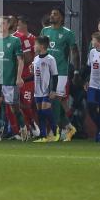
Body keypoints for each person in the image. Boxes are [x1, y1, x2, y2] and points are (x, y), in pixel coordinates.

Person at [40, 8, 79, 142]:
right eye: (51, 13)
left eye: (55, 14)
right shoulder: (45, 31)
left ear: (62, 18)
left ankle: (53, 131)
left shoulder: (68, 33)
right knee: (51, 100)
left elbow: (74, 52)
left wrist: (76, 71)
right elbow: (40, 49)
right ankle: (68, 126)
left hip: (61, 71)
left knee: (54, 99)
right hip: (46, 71)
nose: (52, 15)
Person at [0, 16, 24, 141]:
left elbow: (20, 60)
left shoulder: (15, 41)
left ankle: (22, 128)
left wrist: (19, 77)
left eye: (3, 23)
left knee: (13, 107)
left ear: (8, 25)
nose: (0, 25)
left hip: (10, 80)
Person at [13, 16, 39, 139]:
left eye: (18, 25)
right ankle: (19, 130)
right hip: (16, 77)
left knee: (27, 104)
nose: (16, 28)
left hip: (29, 77)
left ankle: (32, 125)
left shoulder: (32, 39)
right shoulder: (14, 37)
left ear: (24, 25)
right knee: (13, 105)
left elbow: (32, 57)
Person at [30, 36, 58, 142]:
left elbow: (55, 75)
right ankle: (43, 136)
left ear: (41, 46)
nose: (34, 46)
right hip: (37, 90)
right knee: (40, 113)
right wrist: (32, 70)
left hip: (47, 89)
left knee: (46, 111)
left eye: (35, 44)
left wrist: (53, 90)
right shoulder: (36, 58)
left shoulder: (51, 59)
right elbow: (35, 72)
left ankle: (55, 130)